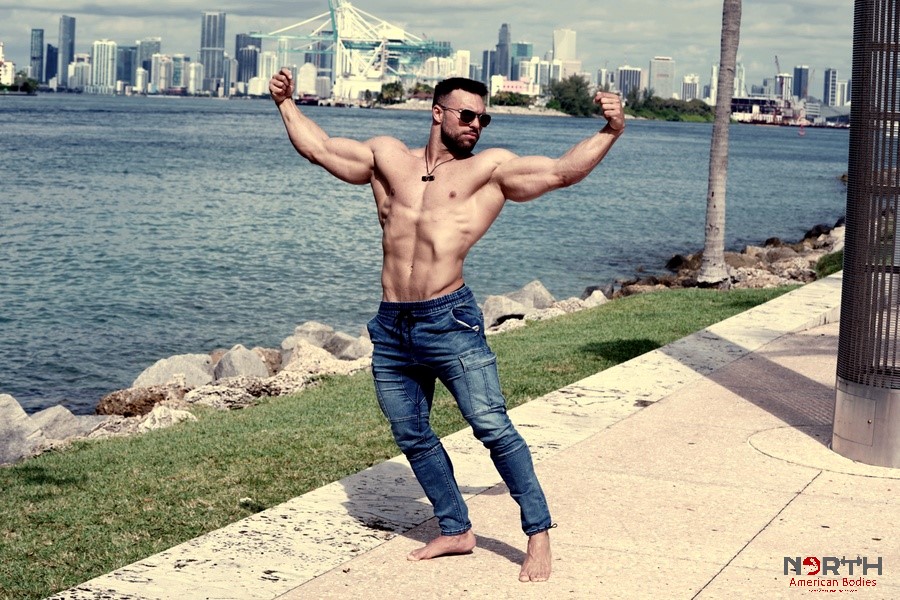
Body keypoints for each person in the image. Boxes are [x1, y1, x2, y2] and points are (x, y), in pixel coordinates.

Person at [269, 70, 624, 582]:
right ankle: (456, 528)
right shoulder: (388, 157)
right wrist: (285, 103)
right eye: (467, 115)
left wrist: (610, 130)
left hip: (449, 320)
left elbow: (560, 172)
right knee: (412, 433)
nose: (476, 124)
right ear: (437, 113)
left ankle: (538, 532)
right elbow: (320, 148)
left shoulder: (488, 170)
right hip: (392, 324)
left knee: (491, 426)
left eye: (484, 118)